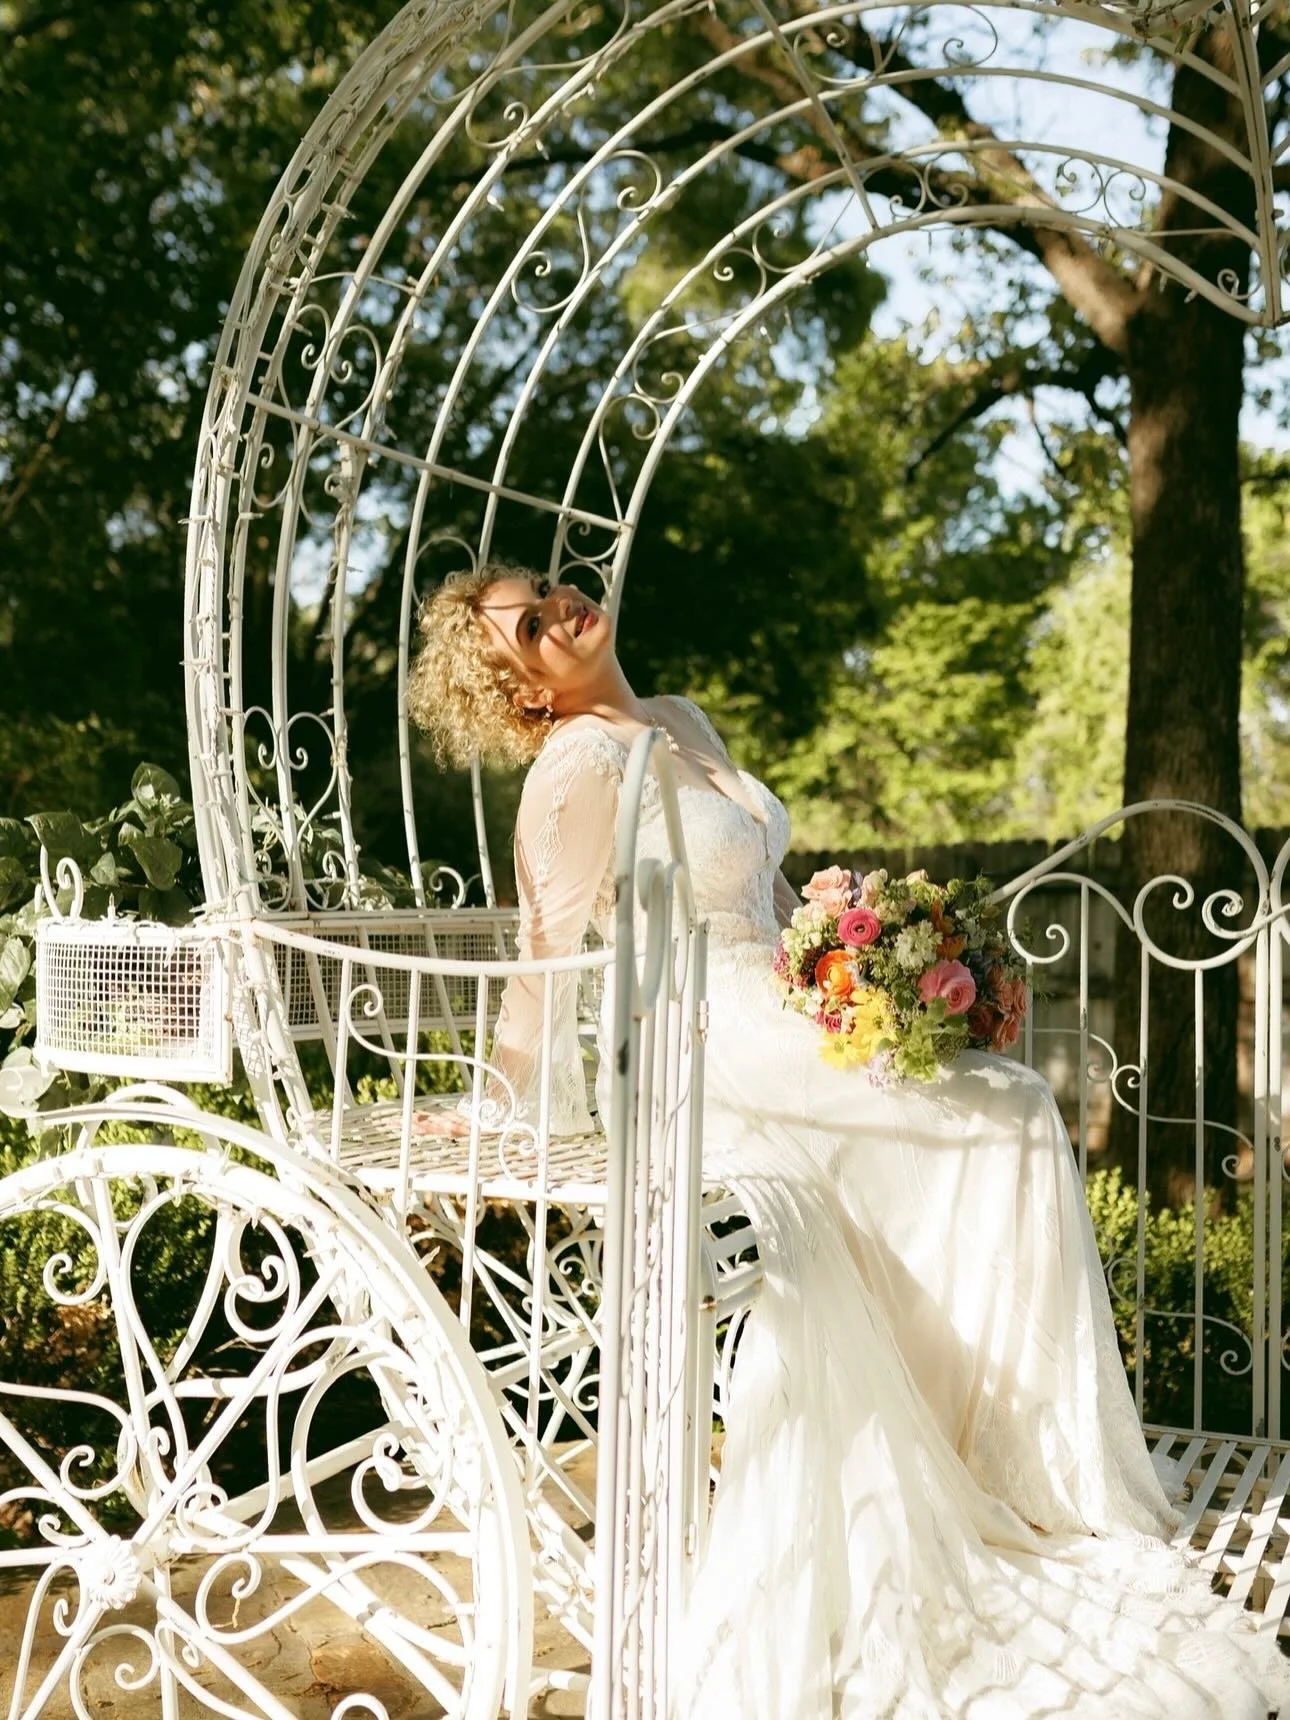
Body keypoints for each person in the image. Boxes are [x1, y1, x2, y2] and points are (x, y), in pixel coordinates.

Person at [409, 563, 1290, 1719]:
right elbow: (544, 956)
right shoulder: (574, 770)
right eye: (533, 623)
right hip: (703, 1051)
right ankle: (974, 1473)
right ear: (522, 687)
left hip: (783, 1008)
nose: (565, 606)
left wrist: (857, 964)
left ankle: (1008, 1459)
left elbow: (761, 895)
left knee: (1015, 1103)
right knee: (1012, 1117)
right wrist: (491, 1101)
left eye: (558, 585)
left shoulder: (677, 718)